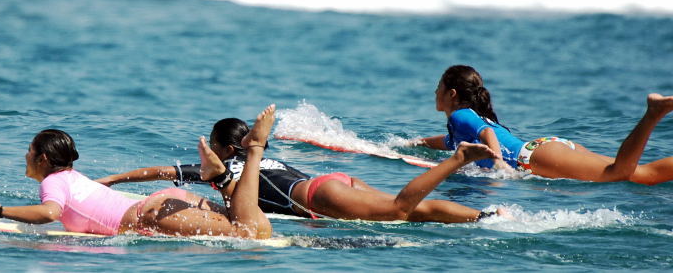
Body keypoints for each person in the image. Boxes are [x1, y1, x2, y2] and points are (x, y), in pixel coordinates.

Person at [97, 117, 503, 223]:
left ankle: (456, 159)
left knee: (399, 209)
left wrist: (112, 180)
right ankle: (485, 217)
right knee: (414, 213)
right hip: (330, 183)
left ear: (222, 148)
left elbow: (159, 172)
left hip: (315, 196)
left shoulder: (225, 165)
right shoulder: (259, 159)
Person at [0, 105, 278, 239]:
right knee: (250, 223)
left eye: (29, 151)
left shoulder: (54, 183)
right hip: (163, 204)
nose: (24, 155)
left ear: (43, 159)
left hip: (151, 215)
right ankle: (222, 177)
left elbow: (49, 213)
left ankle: (254, 148)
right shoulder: (74, 177)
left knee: (249, 232)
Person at [418, 64, 673, 184]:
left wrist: (497, 165)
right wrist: (412, 143)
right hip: (542, 150)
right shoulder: (460, 126)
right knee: (641, 175)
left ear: (451, 93)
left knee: (618, 173)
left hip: (531, 159)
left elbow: (486, 134)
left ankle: (652, 114)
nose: (434, 92)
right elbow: (447, 142)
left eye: (438, 87)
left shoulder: (461, 115)